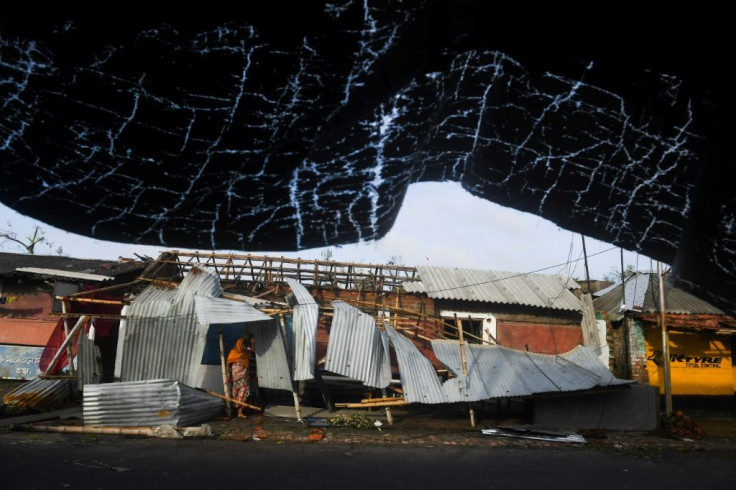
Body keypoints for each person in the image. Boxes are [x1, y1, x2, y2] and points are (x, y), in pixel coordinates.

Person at [227, 334, 253, 418]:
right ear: (238, 344)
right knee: (234, 395)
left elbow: (253, 349)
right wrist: (228, 375)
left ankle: (240, 412)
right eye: (242, 344)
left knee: (244, 394)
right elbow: (228, 365)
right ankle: (233, 410)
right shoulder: (233, 352)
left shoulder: (246, 352)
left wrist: (252, 342)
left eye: (245, 345)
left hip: (244, 378)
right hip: (235, 379)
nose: (243, 346)